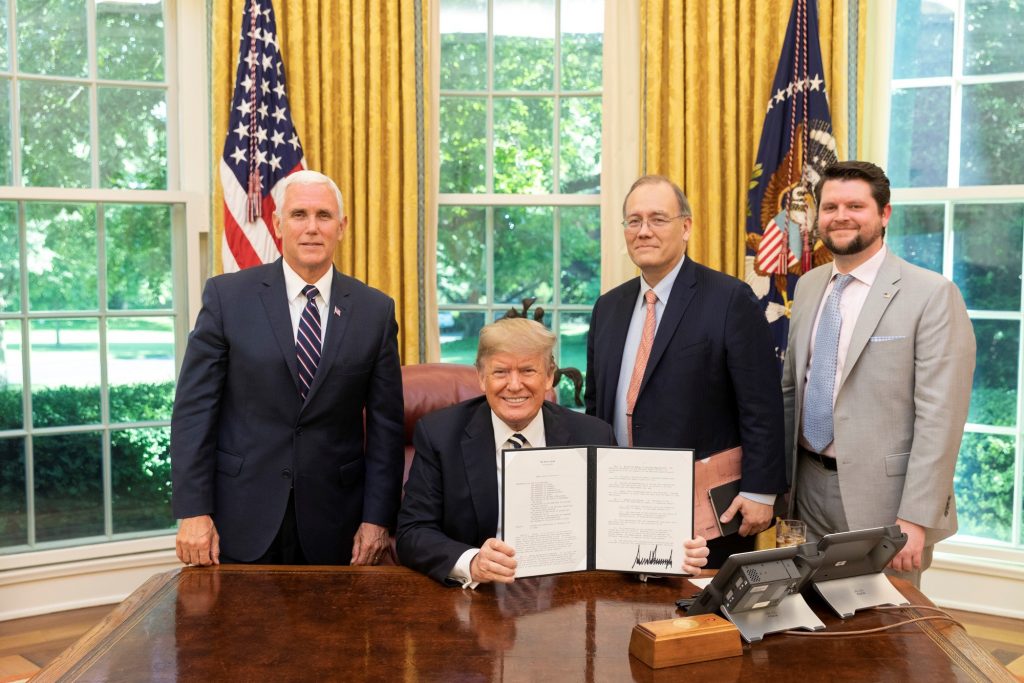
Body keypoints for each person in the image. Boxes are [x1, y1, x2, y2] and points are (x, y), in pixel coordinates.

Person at [171, 170, 404, 566]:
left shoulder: (375, 311)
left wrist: (377, 519)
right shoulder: (228, 298)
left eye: (323, 216)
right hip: (240, 514)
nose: (312, 228)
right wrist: (193, 511)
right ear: (278, 224)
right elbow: (194, 412)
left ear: (341, 227)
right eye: (299, 214)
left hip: (337, 523)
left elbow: (387, 426)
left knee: (332, 630)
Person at [397, 317, 713, 586]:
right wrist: (473, 561)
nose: (515, 385)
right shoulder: (440, 434)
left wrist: (668, 554)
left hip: (569, 594)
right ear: (480, 377)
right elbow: (413, 533)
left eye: (528, 371)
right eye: (501, 372)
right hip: (484, 597)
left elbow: (618, 534)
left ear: (550, 377)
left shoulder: (592, 434)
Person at [782, 160, 975, 586]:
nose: (841, 216)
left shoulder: (932, 294)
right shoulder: (809, 285)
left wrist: (916, 518)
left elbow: (940, 419)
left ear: (884, 214)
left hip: (885, 505)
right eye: (830, 207)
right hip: (806, 488)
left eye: (855, 205)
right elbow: (793, 388)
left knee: (885, 639)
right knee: (808, 625)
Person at [585, 175, 788, 566]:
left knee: (701, 622)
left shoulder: (730, 299)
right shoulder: (607, 308)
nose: (644, 231)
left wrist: (761, 491)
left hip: (706, 511)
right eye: (633, 220)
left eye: (658, 219)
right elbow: (597, 406)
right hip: (623, 504)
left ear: (686, 227)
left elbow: (761, 404)